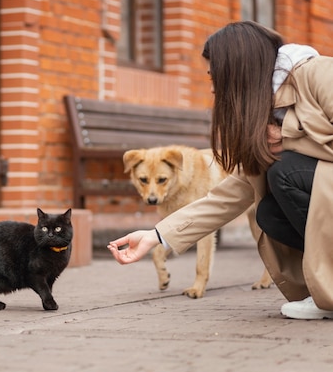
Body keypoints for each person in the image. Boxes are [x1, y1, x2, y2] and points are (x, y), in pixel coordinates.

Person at [108, 20, 333, 321]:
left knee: (285, 174)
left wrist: (290, 133)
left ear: (239, 69)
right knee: (267, 211)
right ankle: (324, 289)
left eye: (216, 76)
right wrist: (157, 235)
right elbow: (229, 194)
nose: (214, 88)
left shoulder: (316, 73)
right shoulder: (261, 112)